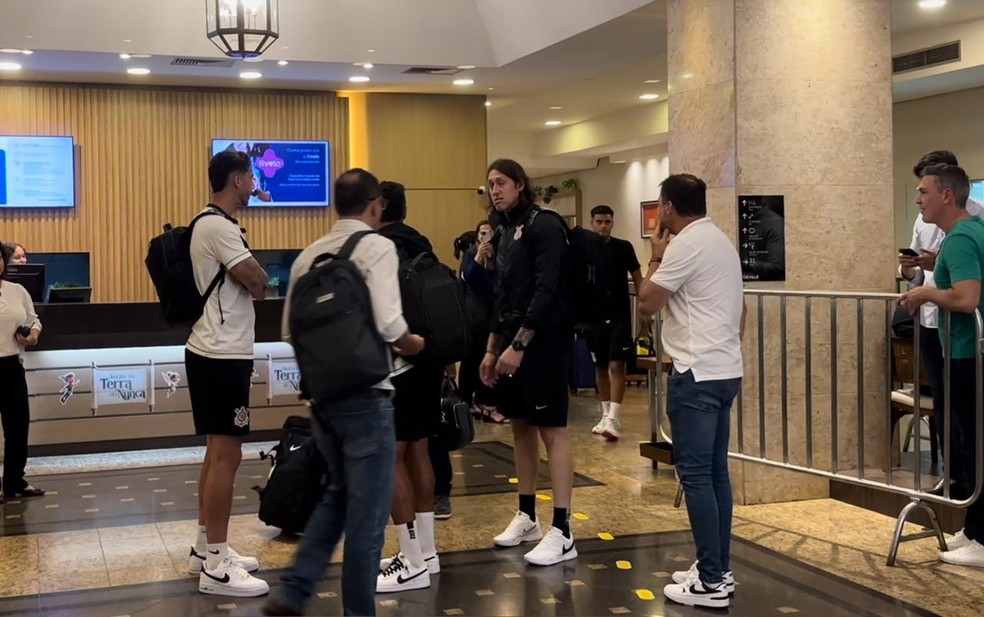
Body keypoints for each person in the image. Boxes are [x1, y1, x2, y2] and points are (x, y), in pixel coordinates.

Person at [261, 169, 425, 617]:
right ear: (376, 205)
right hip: (369, 398)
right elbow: (392, 326)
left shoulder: (307, 257)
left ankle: (294, 590)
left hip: (324, 402)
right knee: (368, 520)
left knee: (336, 497)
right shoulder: (377, 247)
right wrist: (417, 344)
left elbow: (290, 333)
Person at [638, 174, 745, 609]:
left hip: (695, 372)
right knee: (717, 473)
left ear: (666, 208)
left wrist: (655, 258)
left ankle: (712, 581)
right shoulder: (721, 240)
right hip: (725, 369)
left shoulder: (683, 246)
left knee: (697, 476)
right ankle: (716, 566)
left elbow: (647, 301)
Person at [480, 158, 577, 566]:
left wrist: (519, 344)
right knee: (520, 427)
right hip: (511, 346)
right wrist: (491, 348)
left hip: (545, 344)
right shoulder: (504, 231)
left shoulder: (546, 224)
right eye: (489, 185)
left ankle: (564, 528)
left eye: (501, 182)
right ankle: (528, 515)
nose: (494, 190)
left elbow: (546, 289)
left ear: (521, 184)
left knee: (551, 430)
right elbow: (503, 298)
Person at [185, 151, 271, 597]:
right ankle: (216, 566)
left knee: (216, 452)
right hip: (220, 354)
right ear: (237, 180)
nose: (255, 185)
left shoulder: (217, 224)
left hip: (218, 352)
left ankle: (206, 546)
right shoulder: (217, 225)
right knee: (227, 456)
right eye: (252, 178)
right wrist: (259, 277)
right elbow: (257, 280)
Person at [901, 163, 984, 568]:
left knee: (976, 445)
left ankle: (982, 538)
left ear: (946, 195)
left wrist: (926, 295)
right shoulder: (969, 233)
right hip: (970, 353)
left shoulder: (962, 238)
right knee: (973, 442)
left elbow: (967, 299)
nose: (919, 200)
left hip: (969, 354)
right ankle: (973, 530)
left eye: (923, 192)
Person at [374, 180, 444, 593]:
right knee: (419, 448)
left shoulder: (382, 249)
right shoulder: (422, 243)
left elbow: (384, 313)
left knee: (391, 455)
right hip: (429, 359)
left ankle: (410, 559)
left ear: (380, 208)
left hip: (400, 362)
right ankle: (427, 552)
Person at [586, 205, 642, 441]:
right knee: (600, 366)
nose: (603, 226)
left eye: (607, 222)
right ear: (592, 223)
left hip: (619, 314)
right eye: (599, 222)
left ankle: (614, 417)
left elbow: (638, 277)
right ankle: (606, 413)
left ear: (612, 223)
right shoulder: (585, 249)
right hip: (593, 315)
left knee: (617, 364)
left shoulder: (623, 247)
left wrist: (644, 308)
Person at [0, 242, 44, 504]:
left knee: (17, 427)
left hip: (11, 365)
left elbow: (33, 319)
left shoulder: (17, 290)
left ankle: (15, 479)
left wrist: (33, 336)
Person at [460, 220, 507, 424]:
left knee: (489, 360)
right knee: (471, 360)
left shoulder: (500, 257)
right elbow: (469, 278)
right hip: (475, 315)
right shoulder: (471, 254)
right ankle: (467, 401)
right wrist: (479, 256)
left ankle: (487, 403)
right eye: (481, 233)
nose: (484, 237)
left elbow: (497, 284)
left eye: (488, 233)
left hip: (493, 314)